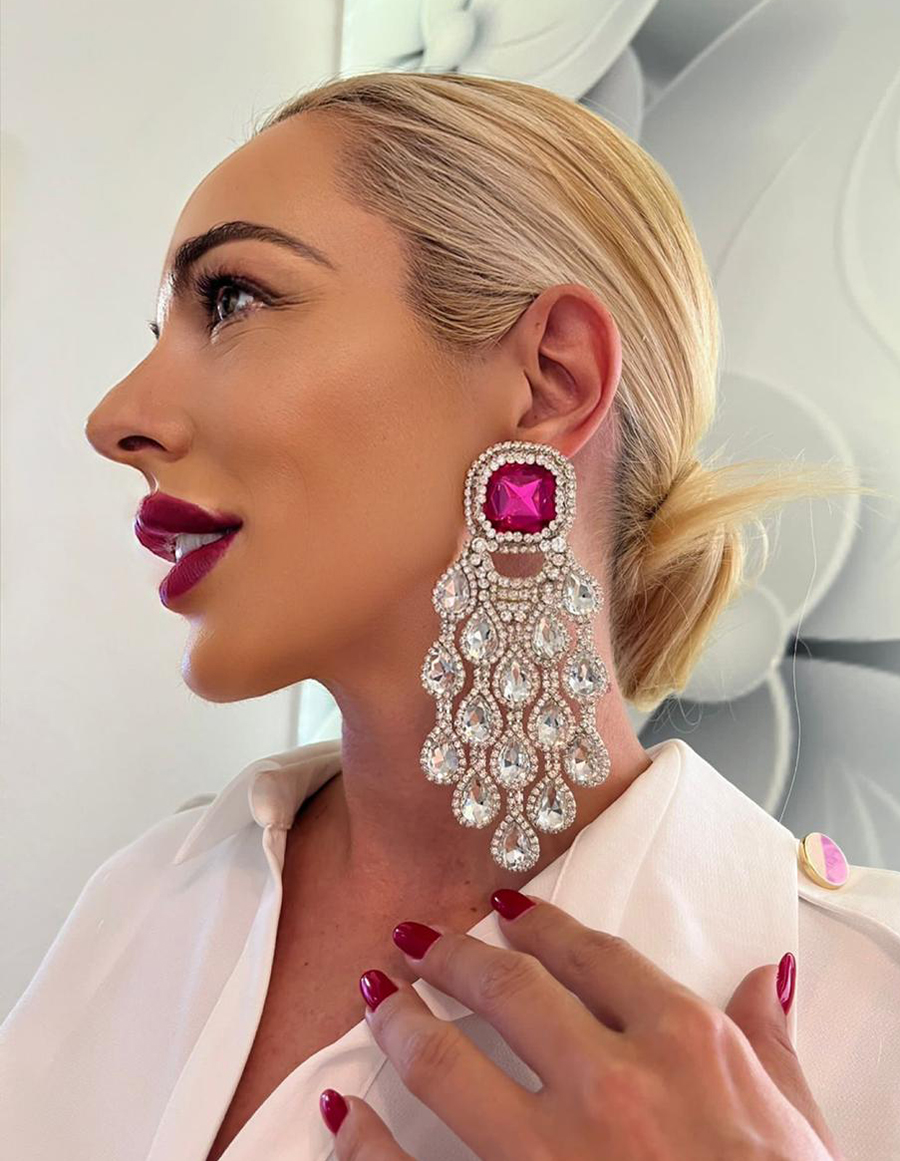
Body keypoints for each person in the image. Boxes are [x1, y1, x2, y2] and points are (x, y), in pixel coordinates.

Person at [2, 71, 897, 1161]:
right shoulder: (141, 900)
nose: (115, 420)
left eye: (231, 300)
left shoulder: (871, 1010)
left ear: (551, 380)